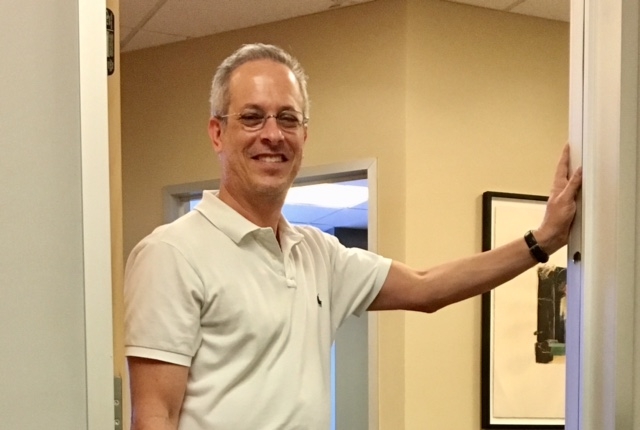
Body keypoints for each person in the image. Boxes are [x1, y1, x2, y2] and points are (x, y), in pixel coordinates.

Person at [124, 43, 582, 430]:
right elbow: (154, 416)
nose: (273, 134)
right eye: (252, 117)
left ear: (304, 135)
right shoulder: (172, 253)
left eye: (288, 119)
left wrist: (543, 239)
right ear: (217, 133)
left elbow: (425, 287)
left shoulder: (317, 254)